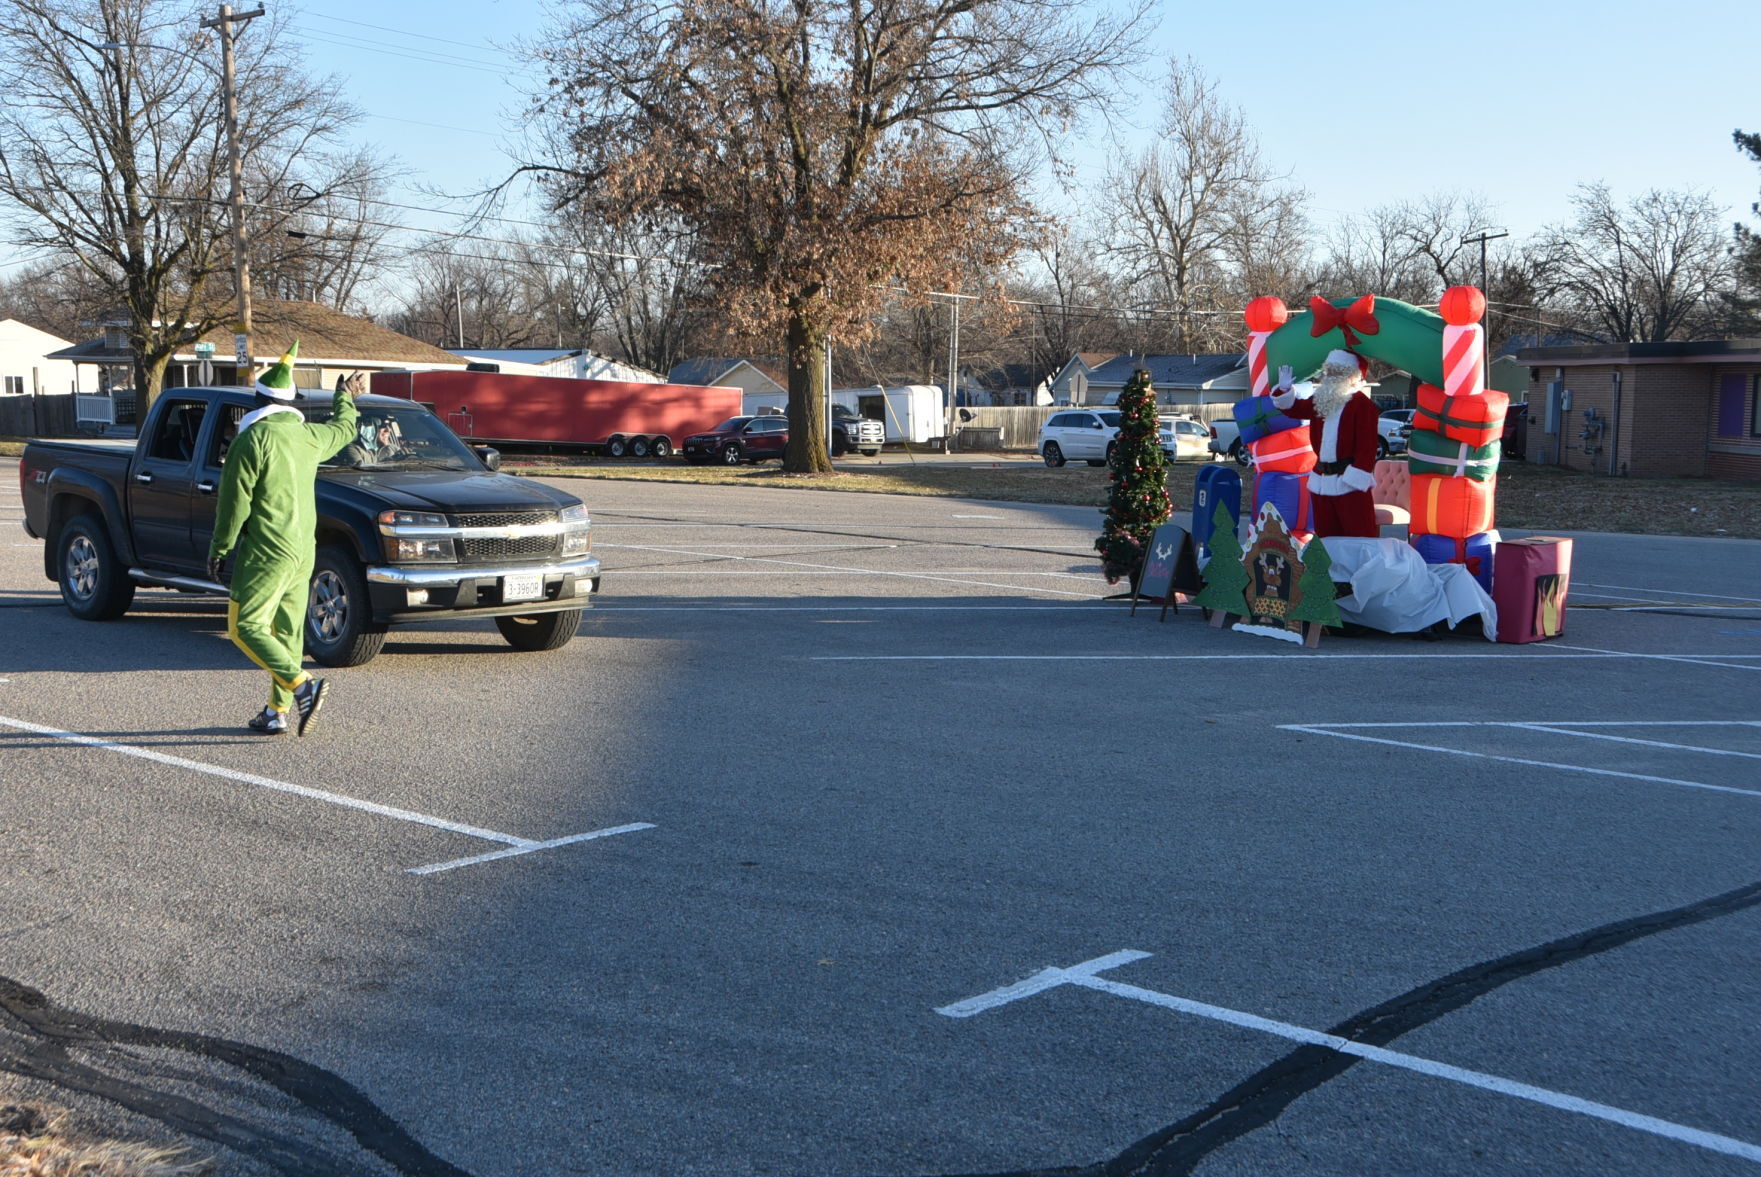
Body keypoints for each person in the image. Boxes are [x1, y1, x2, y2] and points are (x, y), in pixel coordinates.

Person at [206, 344, 362, 736]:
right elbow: (345, 429)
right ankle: (277, 711)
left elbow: (233, 506)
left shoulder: (251, 440)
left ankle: (302, 686)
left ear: (258, 400)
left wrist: (219, 549)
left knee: (246, 627)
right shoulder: (308, 436)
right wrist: (345, 398)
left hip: (266, 551)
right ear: (290, 402)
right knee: (288, 633)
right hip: (303, 549)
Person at [1271, 350, 1380, 539]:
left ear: (1352, 376)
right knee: (1326, 535)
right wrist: (1286, 390)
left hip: (1349, 481)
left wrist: (1354, 479)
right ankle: (1331, 569)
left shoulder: (1362, 405)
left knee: (1358, 535)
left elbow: (1367, 448)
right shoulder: (1321, 400)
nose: (1331, 376)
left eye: (1338, 372)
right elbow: (1295, 410)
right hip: (1321, 479)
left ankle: (1361, 569)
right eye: (1330, 371)